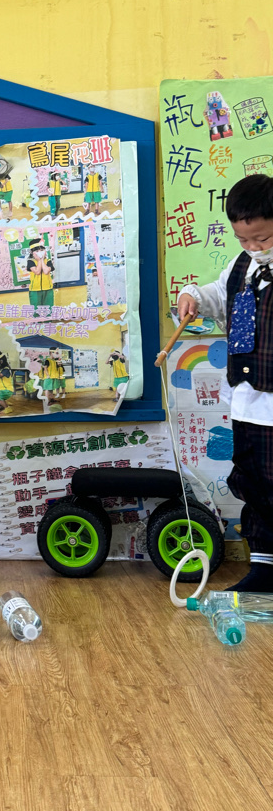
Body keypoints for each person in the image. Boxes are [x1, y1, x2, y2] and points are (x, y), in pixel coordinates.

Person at [177, 174, 273, 592]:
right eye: (243, 239)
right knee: (254, 484)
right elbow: (221, 294)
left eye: (263, 238)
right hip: (246, 400)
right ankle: (264, 566)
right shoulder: (241, 265)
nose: (253, 247)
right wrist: (194, 297)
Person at [26, 238, 54, 313]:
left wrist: (42, 260)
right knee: (36, 310)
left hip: (48, 288)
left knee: (48, 310)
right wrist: (39, 260)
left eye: (42, 250)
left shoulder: (48, 261)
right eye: (37, 251)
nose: (40, 252)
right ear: (32, 252)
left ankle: (48, 320)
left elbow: (46, 271)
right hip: (35, 290)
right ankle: (37, 320)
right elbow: (37, 271)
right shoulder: (30, 261)